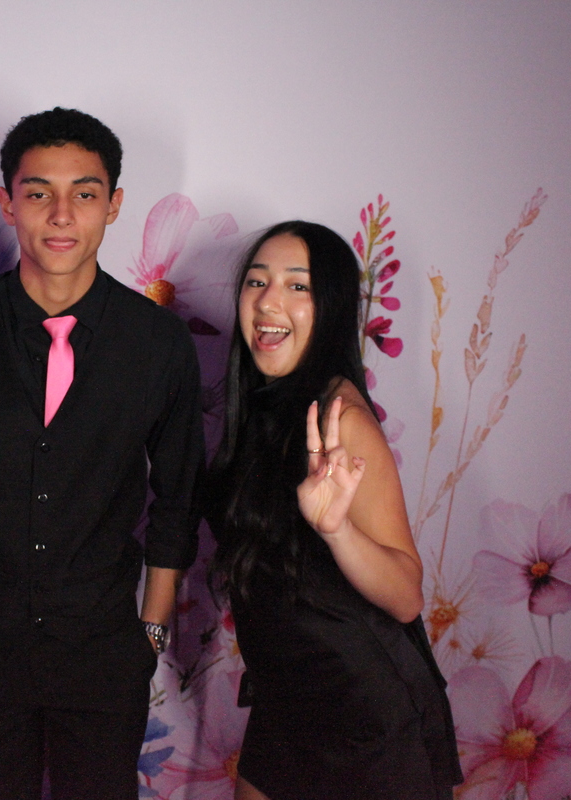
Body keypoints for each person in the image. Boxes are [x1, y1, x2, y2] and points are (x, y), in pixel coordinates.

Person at [0, 107, 206, 800]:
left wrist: (151, 632)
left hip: (102, 654)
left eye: (84, 193)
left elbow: (178, 496)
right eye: (38, 192)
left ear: (114, 205)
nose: (60, 214)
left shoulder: (158, 342)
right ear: (7, 203)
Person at [206, 221, 463, 800]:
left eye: (298, 286)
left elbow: (406, 594)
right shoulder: (263, 407)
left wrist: (337, 530)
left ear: (332, 309)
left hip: (363, 714)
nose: (268, 301)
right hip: (286, 699)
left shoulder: (339, 418)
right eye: (257, 281)